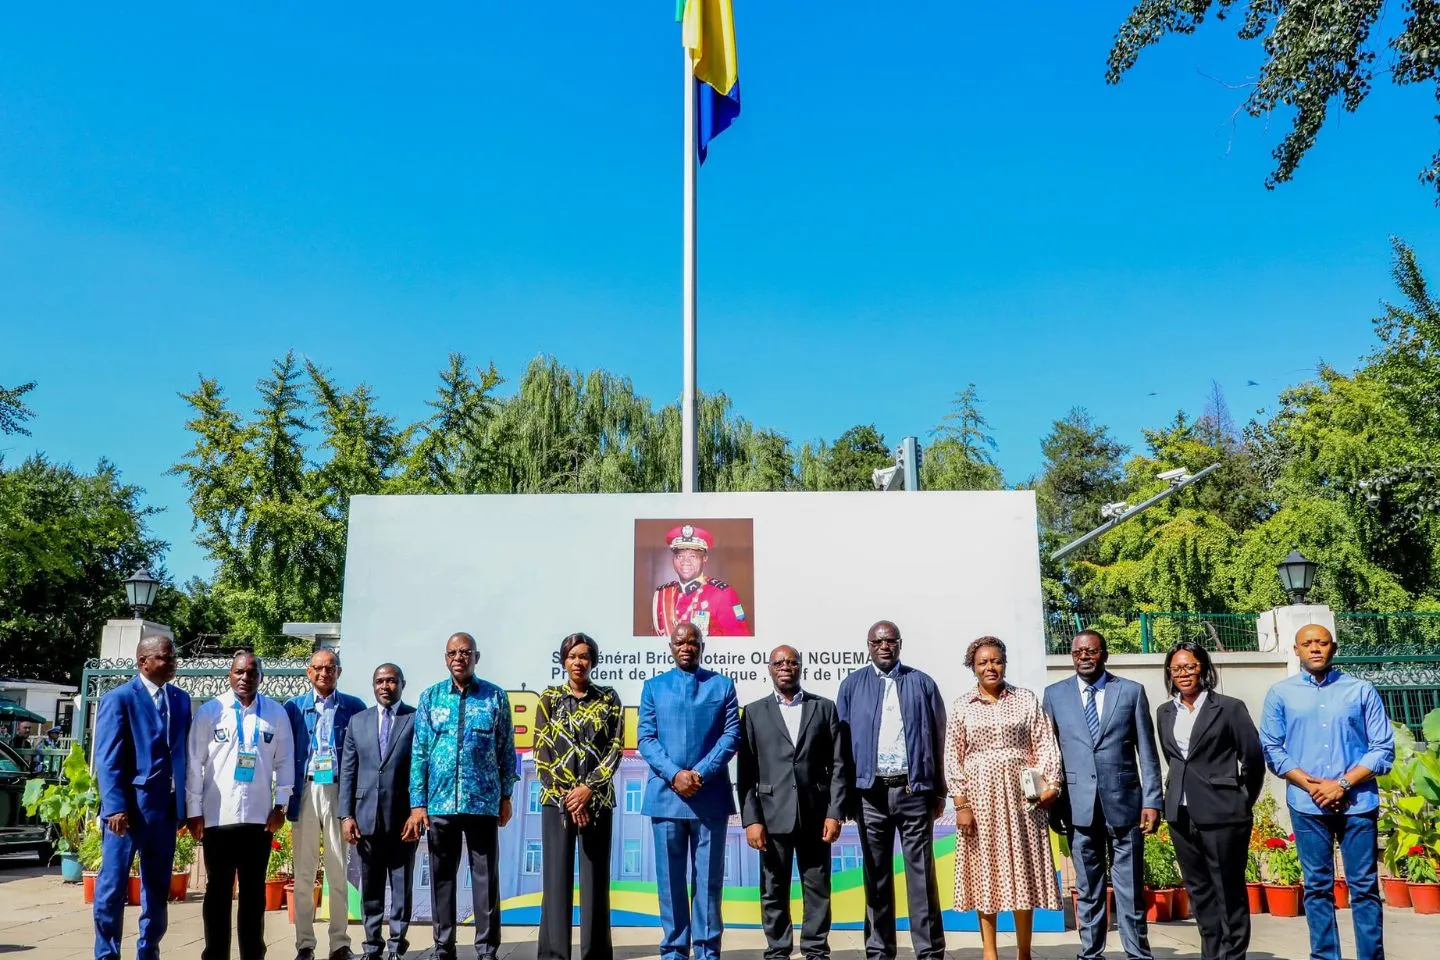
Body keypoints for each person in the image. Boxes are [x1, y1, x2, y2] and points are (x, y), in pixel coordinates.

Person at [1260, 623, 1394, 960]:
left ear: (1332, 648)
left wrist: (1343, 783)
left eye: (1321, 642)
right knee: (1317, 888)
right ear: (1296, 650)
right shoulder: (1281, 693)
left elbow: (1382, 749)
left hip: (1358, 803)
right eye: (1308, 644)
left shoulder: (1361, 691)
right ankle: (1324, 956)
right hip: (1307, 805)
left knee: (1364, 889)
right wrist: (1309, 783)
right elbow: (1272, 748)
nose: (1315, 648)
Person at [1042, 629, 1162, 960]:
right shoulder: (1054, 695)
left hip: (1126, 805)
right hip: (1077, 808)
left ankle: (1138, 953)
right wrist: (1052, 804)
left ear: (1104, 654)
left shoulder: (1131, 692)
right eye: (1079, 652)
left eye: (1092, 651)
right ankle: (1090, 953)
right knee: (1088, 890)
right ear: (1072, 655)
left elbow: (1147, 754)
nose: (1085, 657)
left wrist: (1152, 801)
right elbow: (1050, 755)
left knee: (1130, 888)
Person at [835, 620, 947, 960]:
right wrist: (845, 798)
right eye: (877, 641)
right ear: (868, 645)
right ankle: (879, 950)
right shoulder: (852, 685)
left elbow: (939, 738)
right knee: (876, 876)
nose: (885, 646)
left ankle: (929, 951)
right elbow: (840, 747)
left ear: (900, 644)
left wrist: (939, 790)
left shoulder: (922, 683)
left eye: (891, 641)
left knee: (920, 877)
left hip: (914, 793)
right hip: (870, 795)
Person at [944, 637, 1062, 960]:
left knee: (1022, 873)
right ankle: (989, 952)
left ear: (1005, 663)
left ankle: (1024, 952)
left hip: (1023, 802)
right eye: (982, 662)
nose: (990, 667)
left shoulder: (1025, 700)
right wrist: (961, 803)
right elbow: (952, 757)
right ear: (973, 668)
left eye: (995, 661)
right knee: (986, 873)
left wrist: (1052, 784)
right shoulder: (961, 706)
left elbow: (1045, 744)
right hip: (980, 802)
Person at [403, 632, 517, 960]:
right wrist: (417, 804)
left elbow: (506, 750)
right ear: (445, 658)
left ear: (476, 657)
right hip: (440, 804)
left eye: (465, 652)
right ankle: (444, 947)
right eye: (453, 652)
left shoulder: (495, 697)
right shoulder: (431, 697)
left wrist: (506, 796)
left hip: (482, 803)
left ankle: (486, 950)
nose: (459, 657)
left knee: (485, 881)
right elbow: (420, 753)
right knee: (442, 879)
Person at [736, 645, 850, 960]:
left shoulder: (824, 708)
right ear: (769, 668)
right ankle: (778, 950)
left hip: (816, 816)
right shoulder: (754, 712)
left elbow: (840, 765)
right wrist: (752, 820)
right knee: (773, 890)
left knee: (817, 890)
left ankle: (815, 950)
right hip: (771, 818)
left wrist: (835, 812)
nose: (786, 666)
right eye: (779, 662)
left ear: (801, 667)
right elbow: (746, 774)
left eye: (792, 661)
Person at [637, 621, 741, 960]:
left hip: (709, 798)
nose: (686, 647)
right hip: (667, 799)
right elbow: (646, 740)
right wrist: (675, 775)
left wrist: (698, 773)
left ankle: (708, 950)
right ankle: (674, 950)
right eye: (679, 642)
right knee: (670, 884)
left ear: (701, 645)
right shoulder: (653, 687)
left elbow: (731, 737)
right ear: (671, 646)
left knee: (709, 884)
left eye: (692, 642)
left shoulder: (722, 685)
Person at [1156, 641, 1264, 960]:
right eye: (1176, 668)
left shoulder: (1229, 707)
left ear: (1203, 668)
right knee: (1199, 892)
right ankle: (1211, 953)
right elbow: (1174, 760)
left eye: (1190, 666)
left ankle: (1233, 955)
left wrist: (1243, 799)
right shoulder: (1164, 712)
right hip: (1180, 813)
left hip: (1224, 813)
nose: (1184, 674)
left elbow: (1253, 759)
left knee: (1228, 891)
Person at [187, 651, 295, 960]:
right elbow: (195, 764)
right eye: (239, 672)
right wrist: (194, 811)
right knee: (217, 892)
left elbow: (285, 762)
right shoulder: (211, 711)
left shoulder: (275, 713)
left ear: (261, 676)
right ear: (229, 675)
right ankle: (216, 954)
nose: (245, 678)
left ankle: (253, 954)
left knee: (253, 894)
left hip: (259, 819)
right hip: (218, 818)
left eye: (251, 673)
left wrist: (281, 806)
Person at [93, 636, 192, 960]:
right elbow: (108, 760)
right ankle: (107, 953)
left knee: (157, 888)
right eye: (165, 657)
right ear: (143, 662)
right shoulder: (119, 699)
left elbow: (182, 755)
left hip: (164, 812)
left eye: (174, 656)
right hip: (127, 813)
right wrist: (116, 807)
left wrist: (184, 808)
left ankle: (148, 952)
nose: (173, 662)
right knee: (112, 887)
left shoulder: (180, 699)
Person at [534, 633, 624, 960]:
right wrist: (569, 797)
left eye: (584, 656)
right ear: (563, 660)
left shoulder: (609, 698)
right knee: (556, 883)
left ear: (593, 661)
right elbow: (542, 753)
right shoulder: (549, 698)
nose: (578, 662)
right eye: (572, 656)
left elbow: (615, 748)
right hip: (556, 804)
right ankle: (554, 954)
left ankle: (596, 954)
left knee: (595, 882)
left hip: (598, 803)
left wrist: (588, 790)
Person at [284, 648, 368, 960]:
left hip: (337, 790)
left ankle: (340, 944)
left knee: (337, 870)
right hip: (304, 790)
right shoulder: (294, 707)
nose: (324, 673)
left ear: (339, 672)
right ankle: (305, 944)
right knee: (304, 873)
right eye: (318, 668)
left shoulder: (353, 707)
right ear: (308, 672)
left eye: (330, 668)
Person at [339, 663, 418, 960]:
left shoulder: (415, 719)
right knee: (370, 888)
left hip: (403, 820)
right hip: (365, 819)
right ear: (373, 686)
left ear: (402, 683)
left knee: (401, 887)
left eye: (392, 681)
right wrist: (346, 815)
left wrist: (417, 812)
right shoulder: (358, 721)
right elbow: (348, 771)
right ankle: (372, 946)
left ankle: (398, 946)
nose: (386, 686)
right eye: (380, 681)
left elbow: (421, 768)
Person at [651, 524, 751, 638]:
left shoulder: (723, 594)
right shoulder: (662, 594)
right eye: (680, 556)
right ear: (673, 560)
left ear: (704, 559)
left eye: (693, 556)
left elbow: (741, 642)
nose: (685, 561)